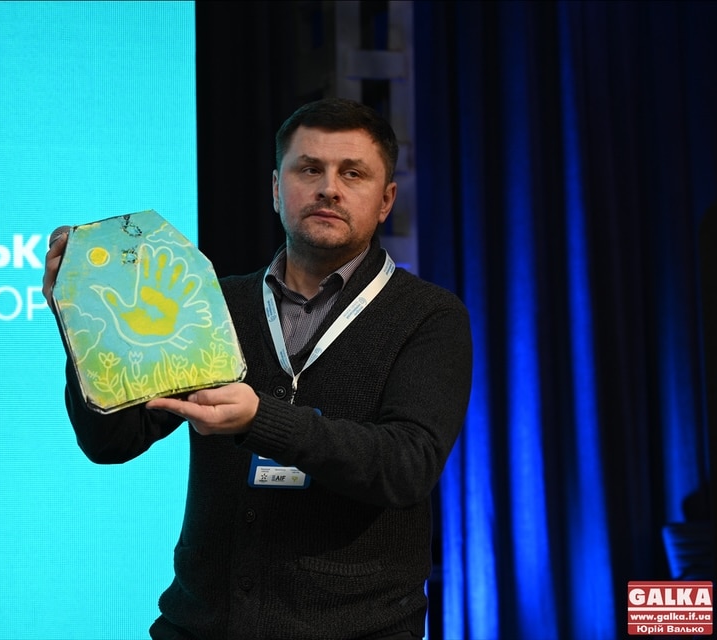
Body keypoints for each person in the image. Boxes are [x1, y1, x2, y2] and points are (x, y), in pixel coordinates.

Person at [41, 98, 472, 640]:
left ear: (385, 200)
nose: (328, 189)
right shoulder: (213, 303)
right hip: (201, 625)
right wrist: (86, 326)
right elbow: (113, 442)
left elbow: (406, 466)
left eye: (352, 173)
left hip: (356, 630)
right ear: (275, 188)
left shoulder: (429, 315)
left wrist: (259, 420)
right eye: (308, 169)